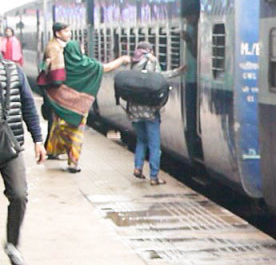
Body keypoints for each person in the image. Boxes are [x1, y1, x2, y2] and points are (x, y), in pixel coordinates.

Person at [38, 22, 130, 172]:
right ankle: (73, 163)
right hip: (78, 108)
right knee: (76, 135)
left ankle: (55, 151)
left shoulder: (62, 63)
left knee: (59, 130)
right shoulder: (87, 64)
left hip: (60, 107)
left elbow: (50, 79)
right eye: (81, 48)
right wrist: (122, 60)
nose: (83, 50)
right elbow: (106, 68)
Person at [1, 57, 46, 265]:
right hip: (11, 143)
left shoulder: (13, 70)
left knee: (19, 195)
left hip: (11, 146)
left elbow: (28, 105)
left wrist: (38, 139)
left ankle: (12, 243)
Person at [124, 42, 186, 185]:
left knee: (141, 140)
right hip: (150, 110)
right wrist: (178, 71)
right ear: (150, 50)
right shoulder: (151, 60)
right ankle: (154, 177)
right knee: (154, 144)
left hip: (134, 110)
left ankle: (138, 167)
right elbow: (159, 79)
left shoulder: (134, 61)